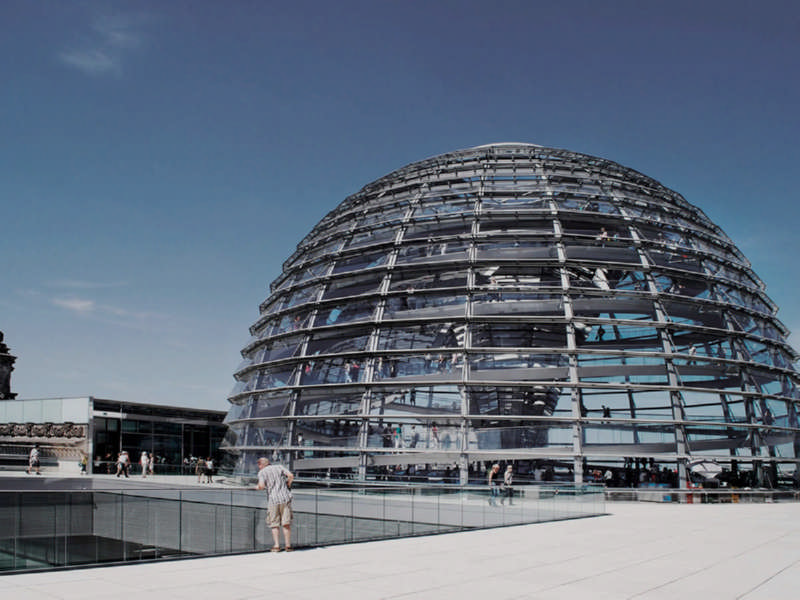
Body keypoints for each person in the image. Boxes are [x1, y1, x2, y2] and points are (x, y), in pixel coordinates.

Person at [256, 457, 294, 552]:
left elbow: (261, 486)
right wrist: (288, 484)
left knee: (274, 524)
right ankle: (288, 546)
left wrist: (257, 487)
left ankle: (277, 546)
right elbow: (290, 475)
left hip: (273, 500)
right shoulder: (279, 467)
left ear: (260, 465)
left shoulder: (262, 472)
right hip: (285, 498)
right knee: (286, 523)